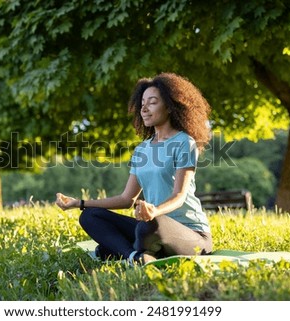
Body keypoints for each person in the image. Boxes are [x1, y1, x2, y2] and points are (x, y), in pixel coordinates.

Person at [56, 72, 212, 265]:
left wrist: (154, 211)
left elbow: (179, 196)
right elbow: (126, 199)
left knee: (147, 227)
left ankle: (120, 249)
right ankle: (135, 256)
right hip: (152, 225)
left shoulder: (183, 142)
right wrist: (78, 203)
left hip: (190, 233)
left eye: (152, 102)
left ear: (170, 107)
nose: (144, 108)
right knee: (90, 216)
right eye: (142, 103)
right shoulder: (141, 150)